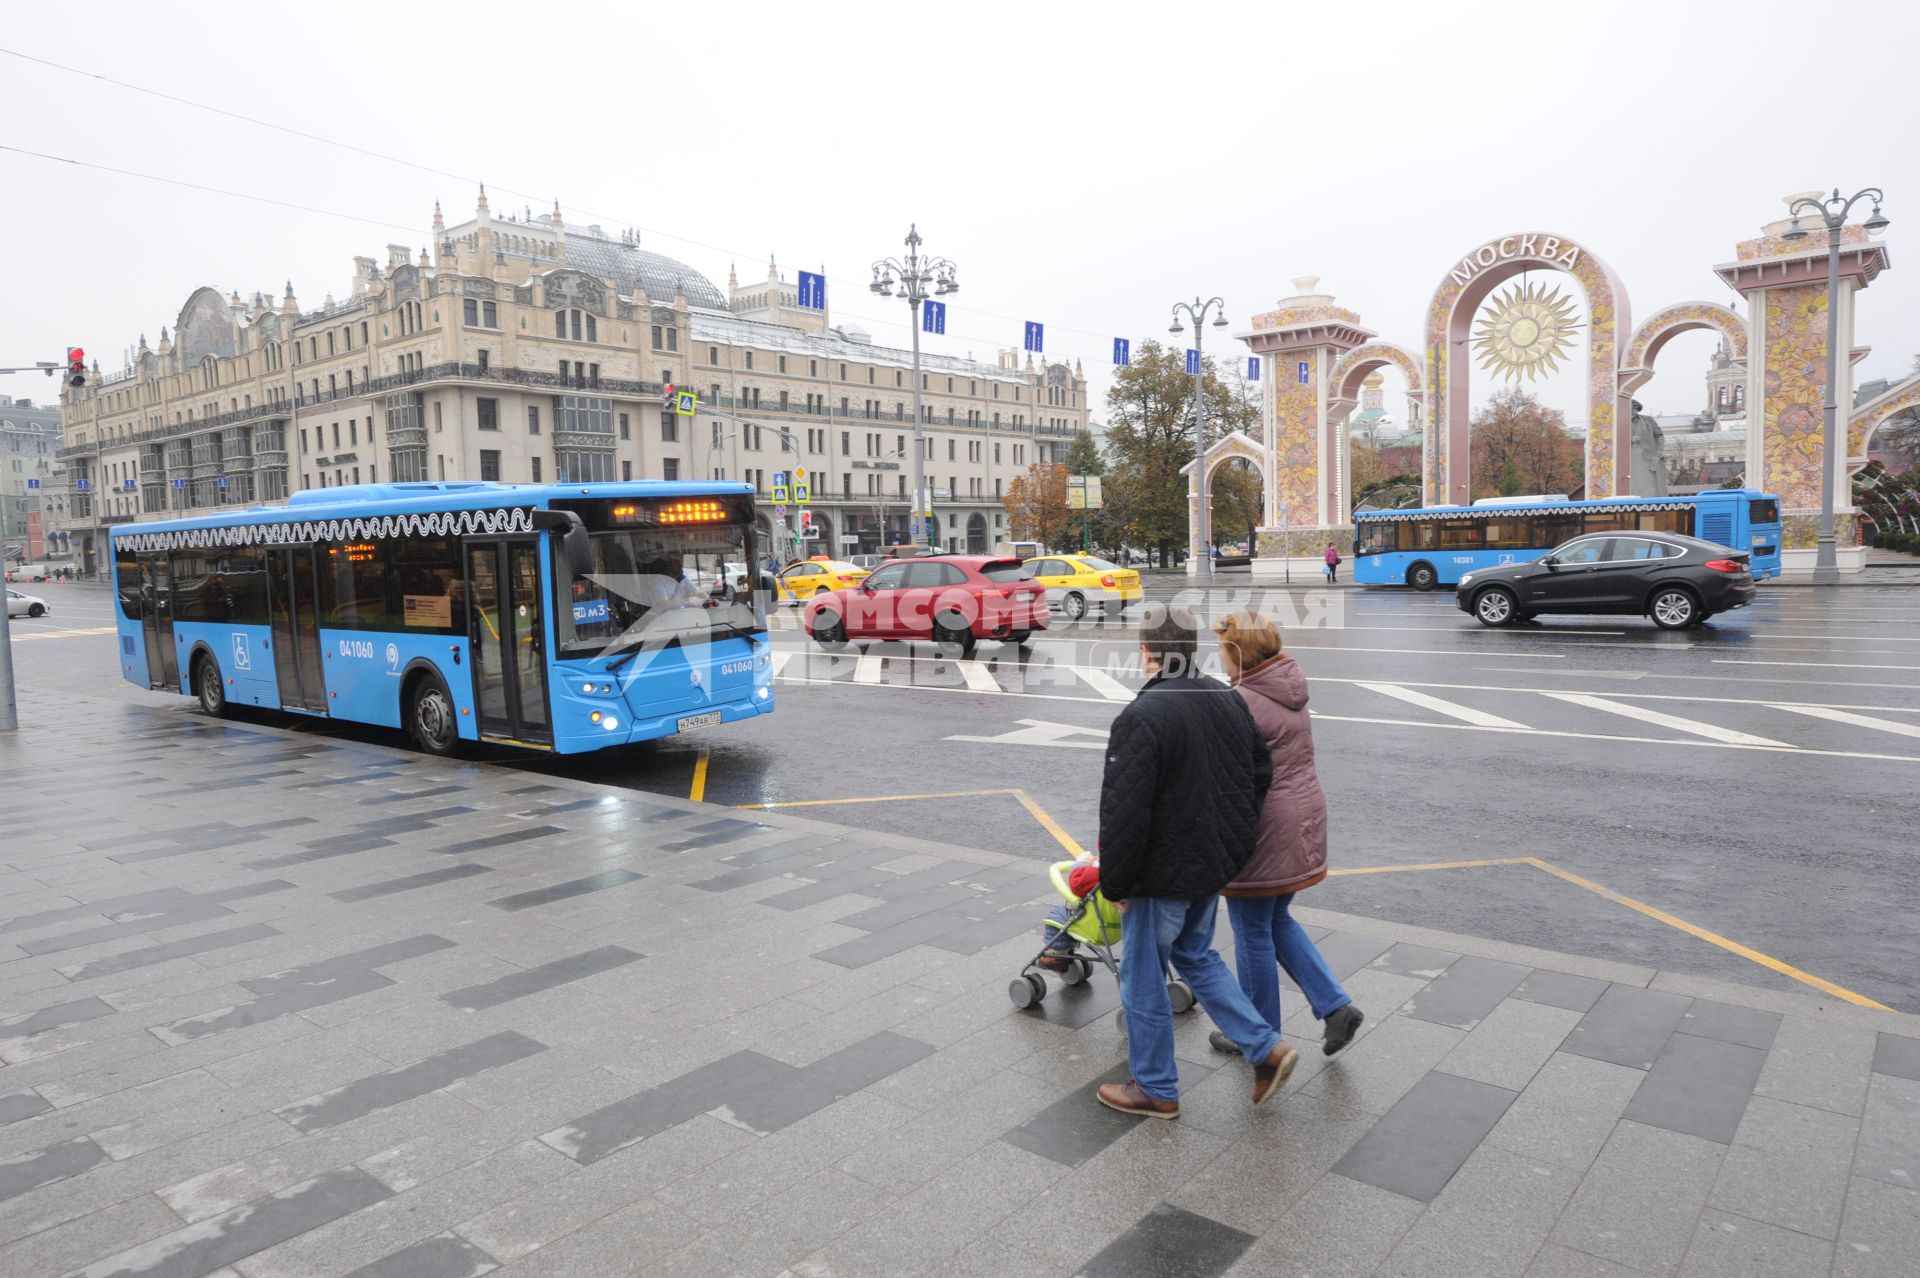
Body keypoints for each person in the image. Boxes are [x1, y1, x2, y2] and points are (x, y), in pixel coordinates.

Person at [1093, 607, 1300, 1119]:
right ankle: (1264, 1047)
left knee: (1141, 975)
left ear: (1147, 654)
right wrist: (1232, 838)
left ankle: (1155, 1087)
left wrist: (1115, 881)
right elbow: (1259, 771)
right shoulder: (1224, 697)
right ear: (1190, 651)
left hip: (1160, 874)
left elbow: (1124, 814)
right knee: (1196, 955)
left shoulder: (1141, 717)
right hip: (1210, 862)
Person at [1209, 611, 1364, 1062]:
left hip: (1264, 825)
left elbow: (1227, 780)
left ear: (1238, 653)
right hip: (1303, 814)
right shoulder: (1287, 685)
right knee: (1275, 918)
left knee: (1251, 929)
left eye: (1221, 648)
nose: (1218, 656)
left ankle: (1257, 1035)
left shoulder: (1241, 701)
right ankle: (1335, 1007)